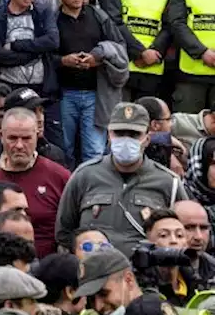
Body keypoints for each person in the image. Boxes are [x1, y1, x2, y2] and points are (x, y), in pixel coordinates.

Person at [56, 102, 189, 254]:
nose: (126, 140)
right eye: (119, 133)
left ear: (147, 138)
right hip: (95, 270)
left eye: (134, 134)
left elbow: (184, 233)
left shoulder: (168, 182)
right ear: (109, 135)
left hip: (147, 272)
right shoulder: (84, 176)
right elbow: (64, 233)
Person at [55, 0, 129, 165]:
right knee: (64, 150)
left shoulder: (98, 15)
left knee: (95, 152)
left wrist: (96, 58)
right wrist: (64, 60)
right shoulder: (53, 20)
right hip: (64, 93)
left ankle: (93, 191)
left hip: (95, 93)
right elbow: (44, 55)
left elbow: (118, 45)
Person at [0, 107, 70, 257]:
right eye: (12, 138)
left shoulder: (59, 177)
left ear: (37, 135)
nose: (19, 145)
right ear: (1, 136)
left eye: (26, 138)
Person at [99, 0, 171, 103]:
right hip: (122, 64)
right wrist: (140, 52)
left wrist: (154, 52)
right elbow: (113, 22)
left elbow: (168, 26)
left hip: (152, 66)